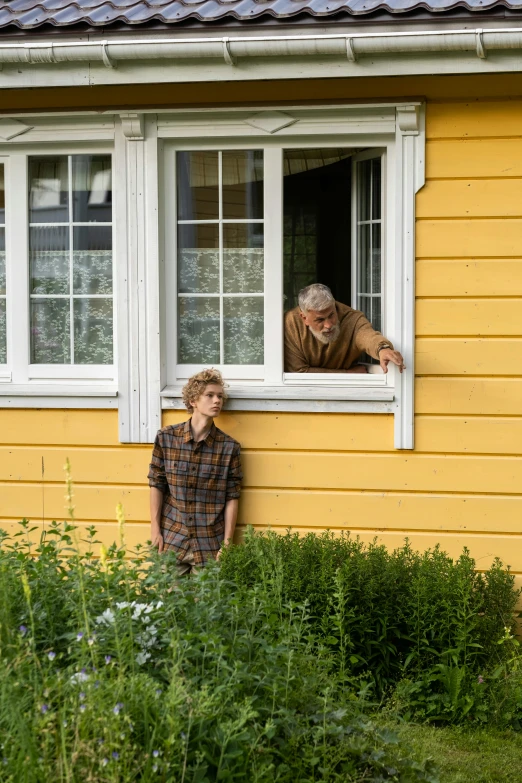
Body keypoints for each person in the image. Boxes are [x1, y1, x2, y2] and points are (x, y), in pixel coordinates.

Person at [148, 368, 242, 575]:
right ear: (193, 401)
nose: (217, 400)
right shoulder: (166, 438)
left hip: (209, 545)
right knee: (168, 605)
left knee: (209, 606)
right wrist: (155, 529)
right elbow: (157, 483)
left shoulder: (229, 448)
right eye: (209, 395)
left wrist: (227, 543)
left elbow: (232, 496)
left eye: (220, 396)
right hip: (172, 540)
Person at [284, 283, 405, 374]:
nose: (329, 325)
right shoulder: (290, 323)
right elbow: (298, 372)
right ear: (304, 317)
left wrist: (383, 349)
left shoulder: (352, 318)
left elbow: (368, 336)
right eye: (320, 320)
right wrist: (347, 374)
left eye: (331, 315)